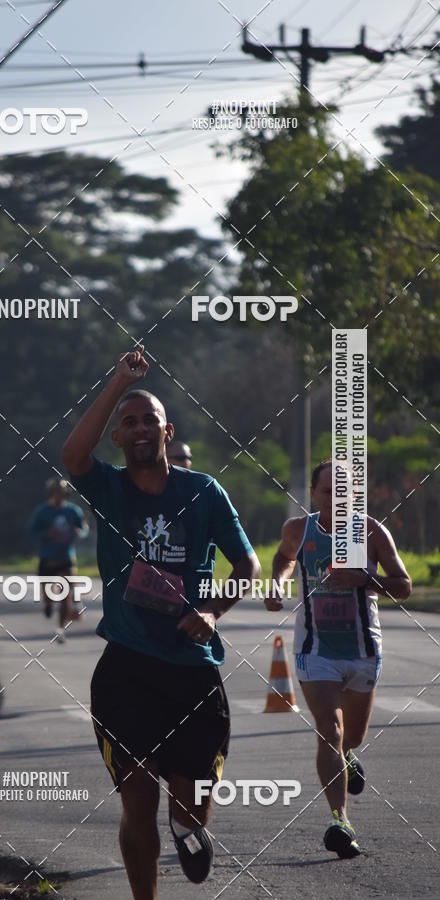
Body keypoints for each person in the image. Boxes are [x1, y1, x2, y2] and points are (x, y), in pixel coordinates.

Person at [62, 346, 260, 898]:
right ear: (117, 438)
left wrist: (212, 611)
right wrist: (117, 382)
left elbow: (248, 563)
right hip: (125, 669)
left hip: (191, 671)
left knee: (191, 803)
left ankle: (189, 825)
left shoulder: (202, 493)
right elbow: (73, 455)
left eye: (151, 420)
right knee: (137, 801)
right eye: (130, 422)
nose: (142, 428)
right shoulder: (108, 489)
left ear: (168, 432)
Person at [266, 459, 411, 858]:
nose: (337, 499)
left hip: (363, 650)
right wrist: (278, 584)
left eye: (344, 492)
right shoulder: (299, 529)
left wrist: (367, 579)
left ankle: (348, 755)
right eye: (329, 491)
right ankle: (340, 820)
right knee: (329, 729)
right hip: (315, 649)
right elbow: (284, 557)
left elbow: (404, 586)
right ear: (315, 494)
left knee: (352, 737)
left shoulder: (371, 532)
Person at [28, 478, 88, 643]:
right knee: (48, 594)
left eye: (62, 492)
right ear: (50, 493)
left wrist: (79, 533)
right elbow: (32, 532)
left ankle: (61, 629)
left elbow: (83, 528)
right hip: (47, 558)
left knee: (65, 594)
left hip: (66, 557)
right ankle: (47, 605)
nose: (59, 495)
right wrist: (47, 534)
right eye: (55, 491)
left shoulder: (73, 511)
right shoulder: (42, 511)